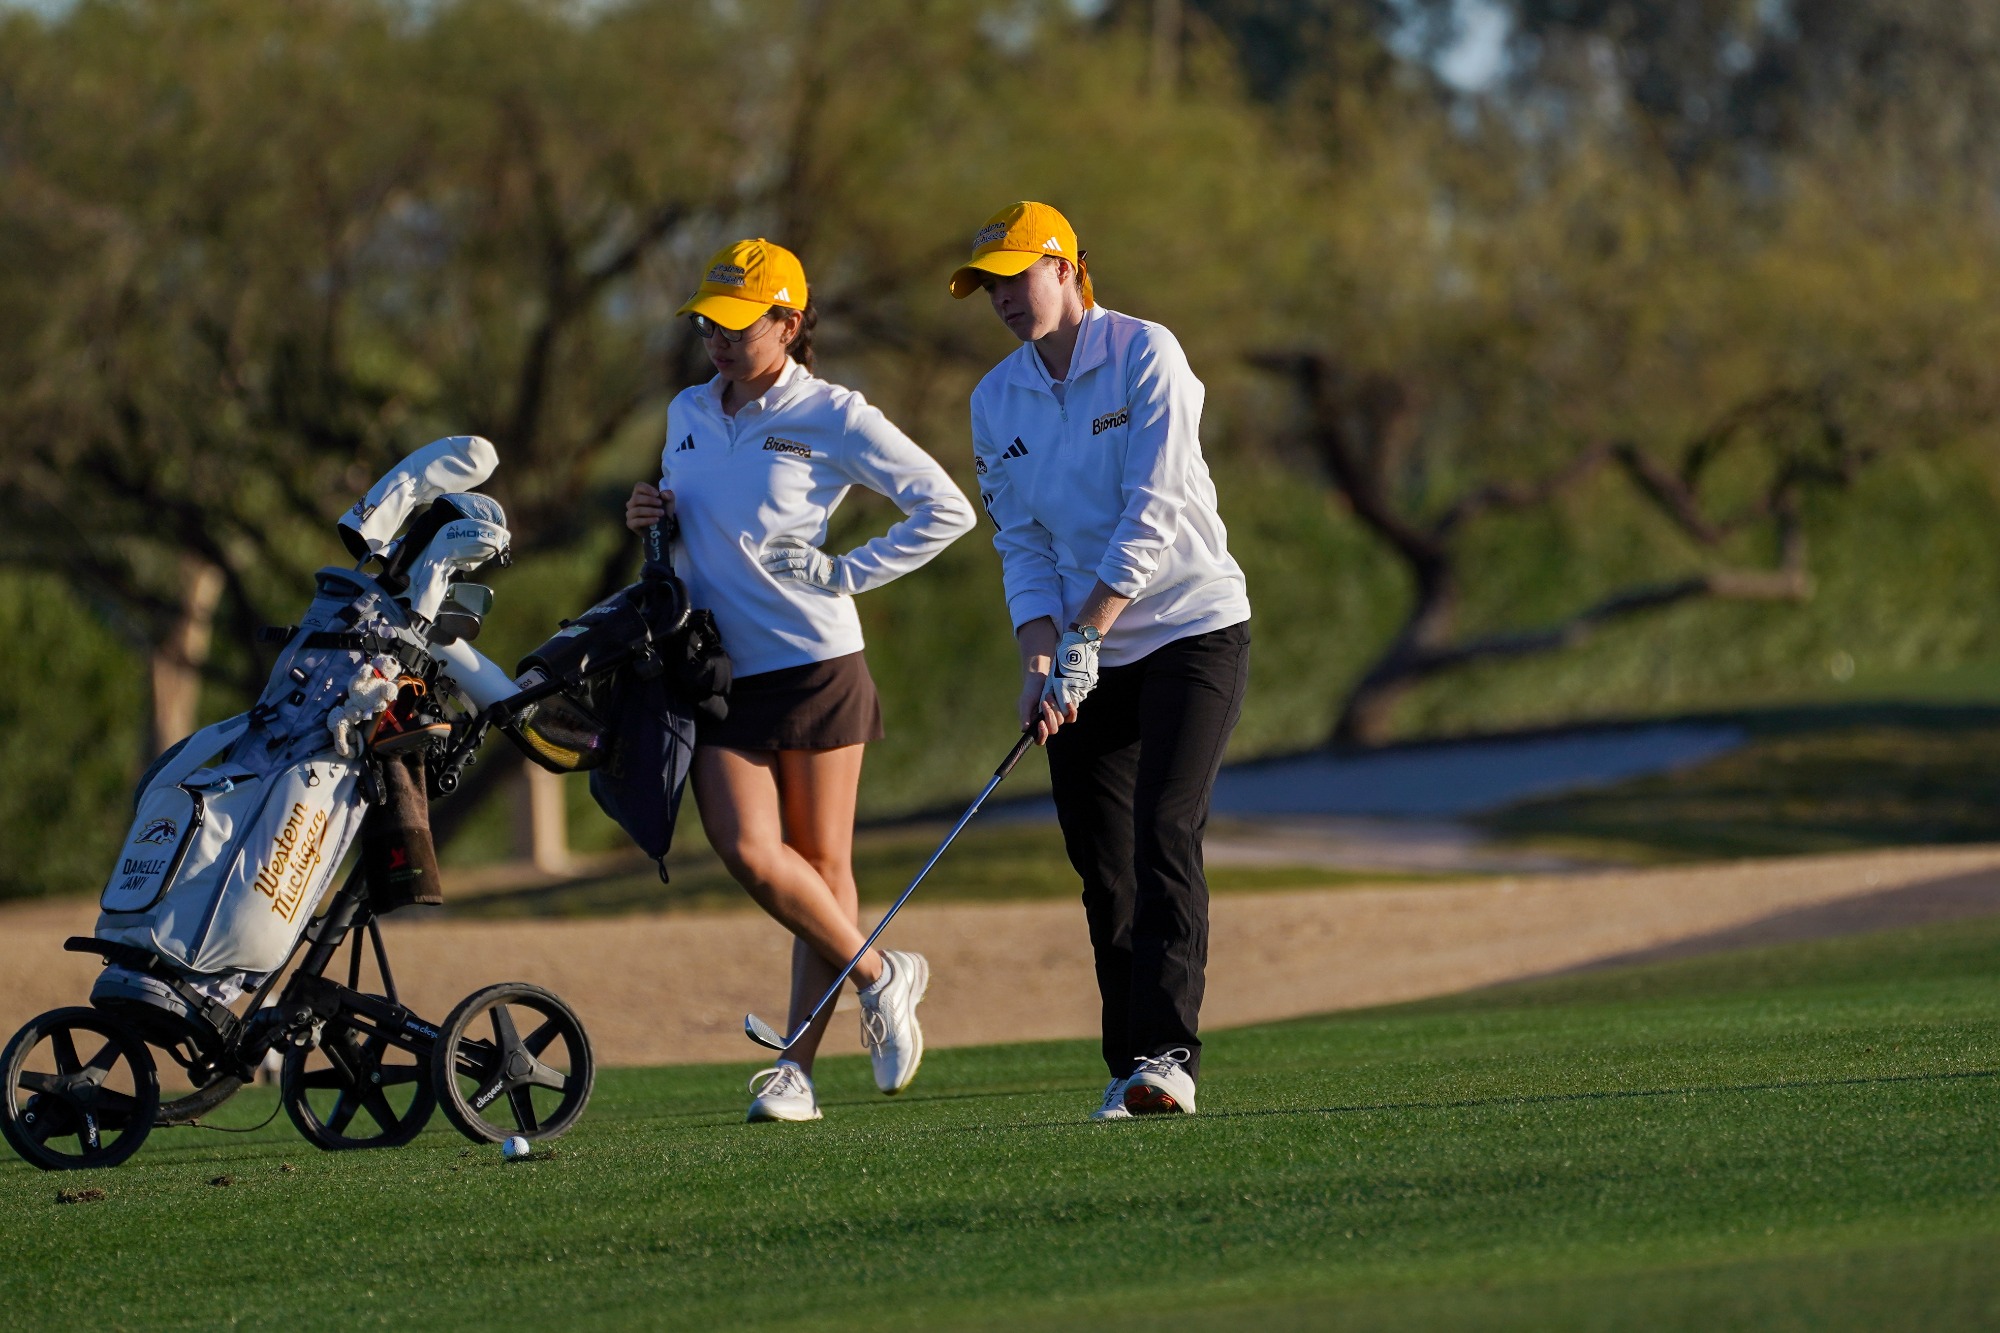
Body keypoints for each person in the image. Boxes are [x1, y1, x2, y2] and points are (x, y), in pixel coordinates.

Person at [626, 238, 976, 1122]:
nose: (719, 338)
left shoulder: (835, 414)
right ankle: (881, 972)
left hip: (817, 663)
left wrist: (847, 570)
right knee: (749, 852)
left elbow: (945, 508)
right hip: (717, 670)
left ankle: (796, 1073)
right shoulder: (686, 412)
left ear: (788, 323)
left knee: (822, 865)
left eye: (740, 324)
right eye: (709, 322)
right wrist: (651, 516)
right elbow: (695, 518)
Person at [951, 201, 1252, 1121]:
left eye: (1017, 276)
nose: (1004, 297)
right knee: (1102, 860)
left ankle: (1170, 1053)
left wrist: (1085, 632)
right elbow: (1023, 545)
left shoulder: (1144, 352)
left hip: (1191, 627)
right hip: (1084, 650)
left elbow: (1151, 513)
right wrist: (1040, 657)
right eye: (990, 285)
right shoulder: (994, 398)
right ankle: (1129, 1068)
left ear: (1069, 267)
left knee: (1164, 826)